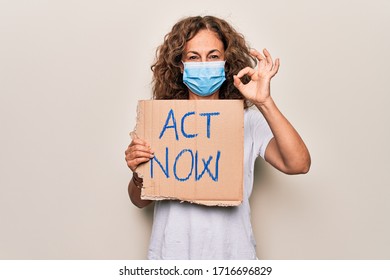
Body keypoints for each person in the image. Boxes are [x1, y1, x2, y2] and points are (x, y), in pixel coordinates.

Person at [124, 15, 311, 259]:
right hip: (170, 257)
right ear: (180, 65)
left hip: (233, 258)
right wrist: (137, 173)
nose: (204, 64)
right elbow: (139, 201)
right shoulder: (161, 122)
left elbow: (299, 164)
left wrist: (264, 102)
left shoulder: (248, 121)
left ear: (225, 62)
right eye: (193, 57)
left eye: (213, 56)